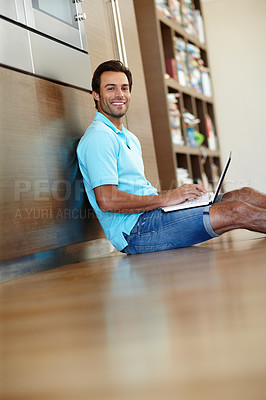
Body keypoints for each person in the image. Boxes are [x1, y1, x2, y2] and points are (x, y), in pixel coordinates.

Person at [77, 60, 266, 255]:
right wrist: (166, 199)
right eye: (110, 89)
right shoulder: (99, 137)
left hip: (153, 215)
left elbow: (139, 192)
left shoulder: (128, 137)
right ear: (96, 95)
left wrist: (179, 195)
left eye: (124, 88)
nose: (119, 94)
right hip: (135, 231)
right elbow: (107, 200)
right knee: (237, 210)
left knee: (244, 194)